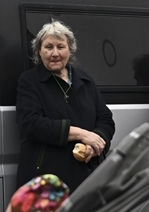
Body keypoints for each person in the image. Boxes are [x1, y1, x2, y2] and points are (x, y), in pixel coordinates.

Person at [15, 21, 114, 191]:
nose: (55, 53)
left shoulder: (84, 79)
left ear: (70, 50)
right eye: (48, 47)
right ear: (39, 51)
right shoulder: (29, 81)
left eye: (61, 47)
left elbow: (105, 119)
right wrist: (81, 134)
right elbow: (31, 123)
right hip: (47, 180)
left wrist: (94, 143)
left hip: (86, 175)